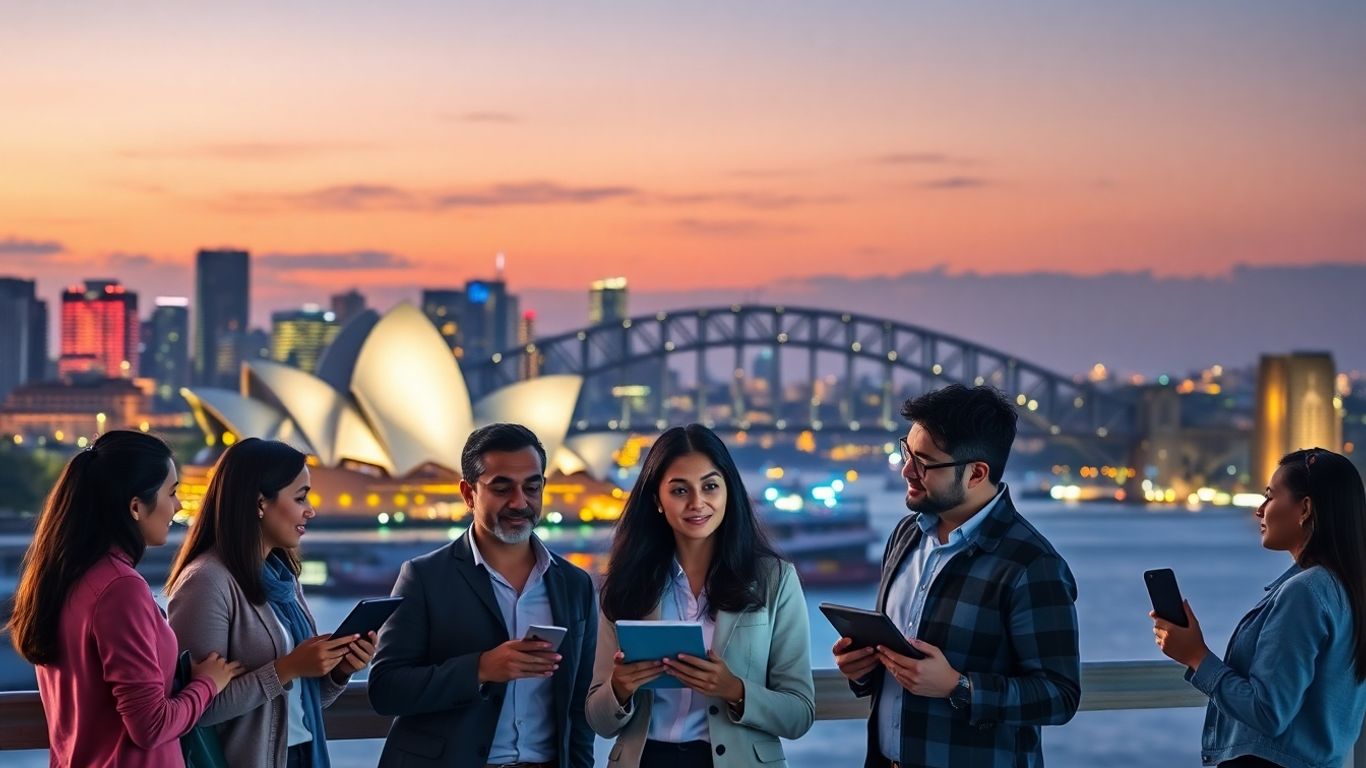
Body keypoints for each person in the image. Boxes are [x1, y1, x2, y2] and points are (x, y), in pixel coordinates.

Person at [833, 385, 1081, 767]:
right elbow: (901, 673)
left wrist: (958, 687)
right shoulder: (906, 535)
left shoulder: (1031, 564)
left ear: (976, 473)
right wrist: (863, 669)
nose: (906, 471)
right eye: (907, 452)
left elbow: (1060, 696)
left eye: (925, 462)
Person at [368, 423, 598, 768]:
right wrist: (480, 669)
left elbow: (578, 706)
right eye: (502, 488)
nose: (520, 502)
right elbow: (386, 689)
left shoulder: (575, 584)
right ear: (468, 493)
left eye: (531, 487)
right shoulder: (424, 577)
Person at [7, 430, 242, 767]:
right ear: (135, 506)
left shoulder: (63, 578)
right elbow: (151, 726)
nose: (177, 506)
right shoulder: (120, 589)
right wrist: (208, 684)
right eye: (171, 493)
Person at [586, 423, 815, 768]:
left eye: (710, 486)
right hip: (646, 759)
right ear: (657, 501)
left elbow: (800, 713)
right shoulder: (625, 584)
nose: (697, 503)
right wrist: (619, 688)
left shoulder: (775, 580)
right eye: (679, 491)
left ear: (728, 492)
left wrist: (735, 690)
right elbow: (598, 719)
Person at [1151, 448, 1366, 768]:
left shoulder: (1304, 593)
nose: (1259, 510)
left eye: (1269, 497)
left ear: (1305, 508)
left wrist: (1196, 656)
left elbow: (1268, 712)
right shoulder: (1346, 588)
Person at [166, 438, 374, 768]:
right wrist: (289, 666)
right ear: (260, 502)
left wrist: (339, 671)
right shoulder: (206, 582)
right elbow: (197, 710)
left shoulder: (284, 580)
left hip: (304, 755)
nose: (311, 510)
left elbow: (299, 703)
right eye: (300, 497)